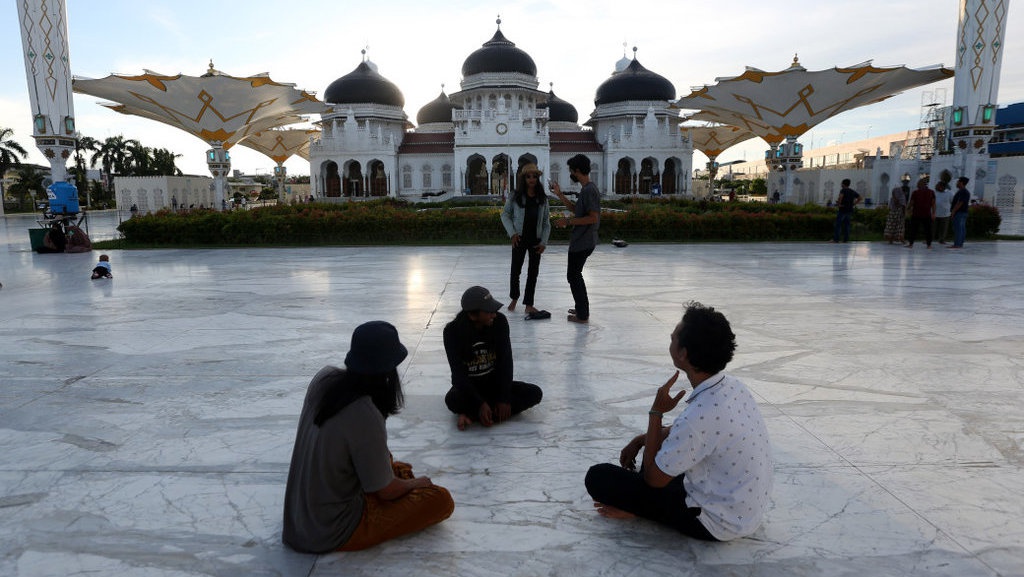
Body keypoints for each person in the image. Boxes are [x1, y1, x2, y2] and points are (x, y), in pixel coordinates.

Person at [584, 302, 773, 542]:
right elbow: (691, 433)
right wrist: (641, 440)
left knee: (599, 477)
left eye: (673, 337)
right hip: (742, 510)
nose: (670, 338)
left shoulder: (699, 417)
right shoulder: (733, 387)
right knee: (665, 451)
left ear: (683, 353)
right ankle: (644, 504)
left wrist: (656, 413)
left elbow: (652, 479)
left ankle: (642, 511)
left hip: (715, 523)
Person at [283, 321, 454, 553]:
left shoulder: (324, 378)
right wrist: (417, 483)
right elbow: (386, 492)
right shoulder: (364, 412)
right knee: (440, 499)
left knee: (395, 466)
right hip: (331, 530)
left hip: (297, 520)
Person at [443, 286, 543, 431]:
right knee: (452, 400)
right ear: (473, 316)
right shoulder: (452, 332)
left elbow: (506, 363)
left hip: (494, 385)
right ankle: (487, 412)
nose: (494, 315)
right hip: (469, 389)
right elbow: (458, 375)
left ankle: (472, 415)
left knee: (535, 393)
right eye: (489, 312)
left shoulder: (500, 322)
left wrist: (504, 398)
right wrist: (479, 403)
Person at [551, 154, 600, 324]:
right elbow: (576, 210)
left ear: (577, 170)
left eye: (571, 170)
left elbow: (593, 218)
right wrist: (559, 194)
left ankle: (582, 314)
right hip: (582, 240)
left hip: (583, 241)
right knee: (575, 275)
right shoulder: (586, 189)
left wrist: (567, 222)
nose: (570, 173)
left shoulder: (589, 190)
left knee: (573, 276)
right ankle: (581, 308)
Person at [500, 163, 551, 318]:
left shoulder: (542, 198)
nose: (531, 179)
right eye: (528, 177)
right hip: (519, 238)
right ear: (524, 179)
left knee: (533, 272)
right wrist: (512, 233)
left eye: (534, 176)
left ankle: (529, 304)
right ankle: (514, 298)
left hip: (536, 240)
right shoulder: (515, 196)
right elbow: (505, 215)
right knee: (516, 270)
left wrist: (543, 242)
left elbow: (546, 223)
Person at [906, 178, 935, 249]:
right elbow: (933, 204)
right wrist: (933, 213)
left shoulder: (916, 192)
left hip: (918, 214)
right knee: (927, 230)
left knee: (914, 229)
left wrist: (908, 209)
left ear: (921, 184)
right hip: (923, 213)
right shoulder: (931, 192)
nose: (917, 185)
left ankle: (911, 244)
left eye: (918, 184)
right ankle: (928, 245)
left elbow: (911, 203)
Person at [831, 178, 861, 243]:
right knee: (847, 225)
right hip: (849, 210)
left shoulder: (843, 190)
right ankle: (845, 239)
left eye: (841, 183)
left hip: (843, 209)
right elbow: (860, 198)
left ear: (843, 184)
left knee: (838, 224)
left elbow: (840, 197)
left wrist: (839, 204)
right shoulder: (852, 191)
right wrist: (853, 204)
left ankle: (836, 239)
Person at [949, 176, 971, 249]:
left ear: (961, 183)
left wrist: (953, 212)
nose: (956, 183)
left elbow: (960, 203)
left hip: (959, 212)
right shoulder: (963, 191)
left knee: (958, 229)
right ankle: (959, 244)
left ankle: (957, 244)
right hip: (962, 212)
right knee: (961, 228)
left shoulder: (963, 191)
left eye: (958, 182)